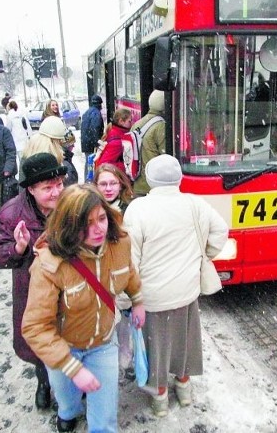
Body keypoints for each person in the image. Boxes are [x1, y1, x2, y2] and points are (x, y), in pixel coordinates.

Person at [21, 184, 145, 433]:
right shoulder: (49, 265)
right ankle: (68, 412)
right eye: (86, 223)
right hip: (65, 347)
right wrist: (72, 367)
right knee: (68, 401)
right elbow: (35, 327)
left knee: (105, 419)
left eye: (101, 218)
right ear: (69, 226)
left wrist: (138, 300)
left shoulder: (119, 242)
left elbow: (128, 272)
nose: (98, 229)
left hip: (103, 343)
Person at [123, 154, 228, 417]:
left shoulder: (138, 209)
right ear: (179, 178)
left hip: (151, 298)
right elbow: (221, 231)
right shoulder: (195, 204)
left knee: (155, 345)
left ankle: (159, 399)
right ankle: (184, 389)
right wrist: (204, 254)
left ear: (149, 180)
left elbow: (129, 259)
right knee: (185, 341)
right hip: (186, 292)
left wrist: (125, 299)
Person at [0, 153, 67, 412]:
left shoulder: (71, 203)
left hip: (68, 287)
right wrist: (18, 248)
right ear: (31, 188)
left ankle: (70, 386)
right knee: (41, 339)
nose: (57, 191)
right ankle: (44, 382)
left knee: (70, 336)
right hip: (32, 290)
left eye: (59, 184)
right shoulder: (12, 213)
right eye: (48, 188)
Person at [93, 163, 136, 373]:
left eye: (113, 183)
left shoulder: (131, 210)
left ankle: (124, 355)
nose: (108, 188)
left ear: (121, 185)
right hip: (97, 278)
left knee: (124, 321)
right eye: (103, 184)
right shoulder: (89, 209)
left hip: (122, 275)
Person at [130, 90, 166, 196]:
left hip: (137, 183)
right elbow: (166, 157)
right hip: (152, 185)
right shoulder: (161, 126)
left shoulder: (137, 124)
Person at [22, 116, 70, 185]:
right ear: (56, 140)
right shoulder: (53, 154)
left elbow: (23, 180)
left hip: (30, 192)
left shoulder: (30, 147)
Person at [94, 107, 133, 173]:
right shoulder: (117, 141)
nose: (132, 123)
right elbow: (104, 165)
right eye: (129, 121)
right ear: (121, 121)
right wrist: (126, 165)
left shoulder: (114, 132)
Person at [80, 95, 104, 181]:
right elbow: (95, 128)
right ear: (100, 104)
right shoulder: (96, 113)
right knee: (91, 163)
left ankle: (87, 180)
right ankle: (89, 181)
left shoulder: (87, 112)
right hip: (91, 144)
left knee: (88, 162)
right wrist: (97, 143)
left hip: (86, 142)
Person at [0, 117, 17, 205]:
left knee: (5, 202)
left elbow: (11, 151)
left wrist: (8, 169)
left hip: (3, 175)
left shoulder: (3, 131)